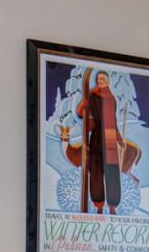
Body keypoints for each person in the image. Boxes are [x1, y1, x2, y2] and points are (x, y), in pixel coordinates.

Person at [61, 69, 142, 214]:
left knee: (112, 172)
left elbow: (114, 121)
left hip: (110, 136)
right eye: (98, 79)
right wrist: (84, 104)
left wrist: (119, 139)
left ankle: (112, 206)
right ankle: (98, 205)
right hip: (97, 136)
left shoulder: (112, 99)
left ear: (108, 81)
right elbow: (81, 113)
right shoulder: (93, 96)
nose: (100, 81)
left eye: (102, 79)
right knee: (97, 171)